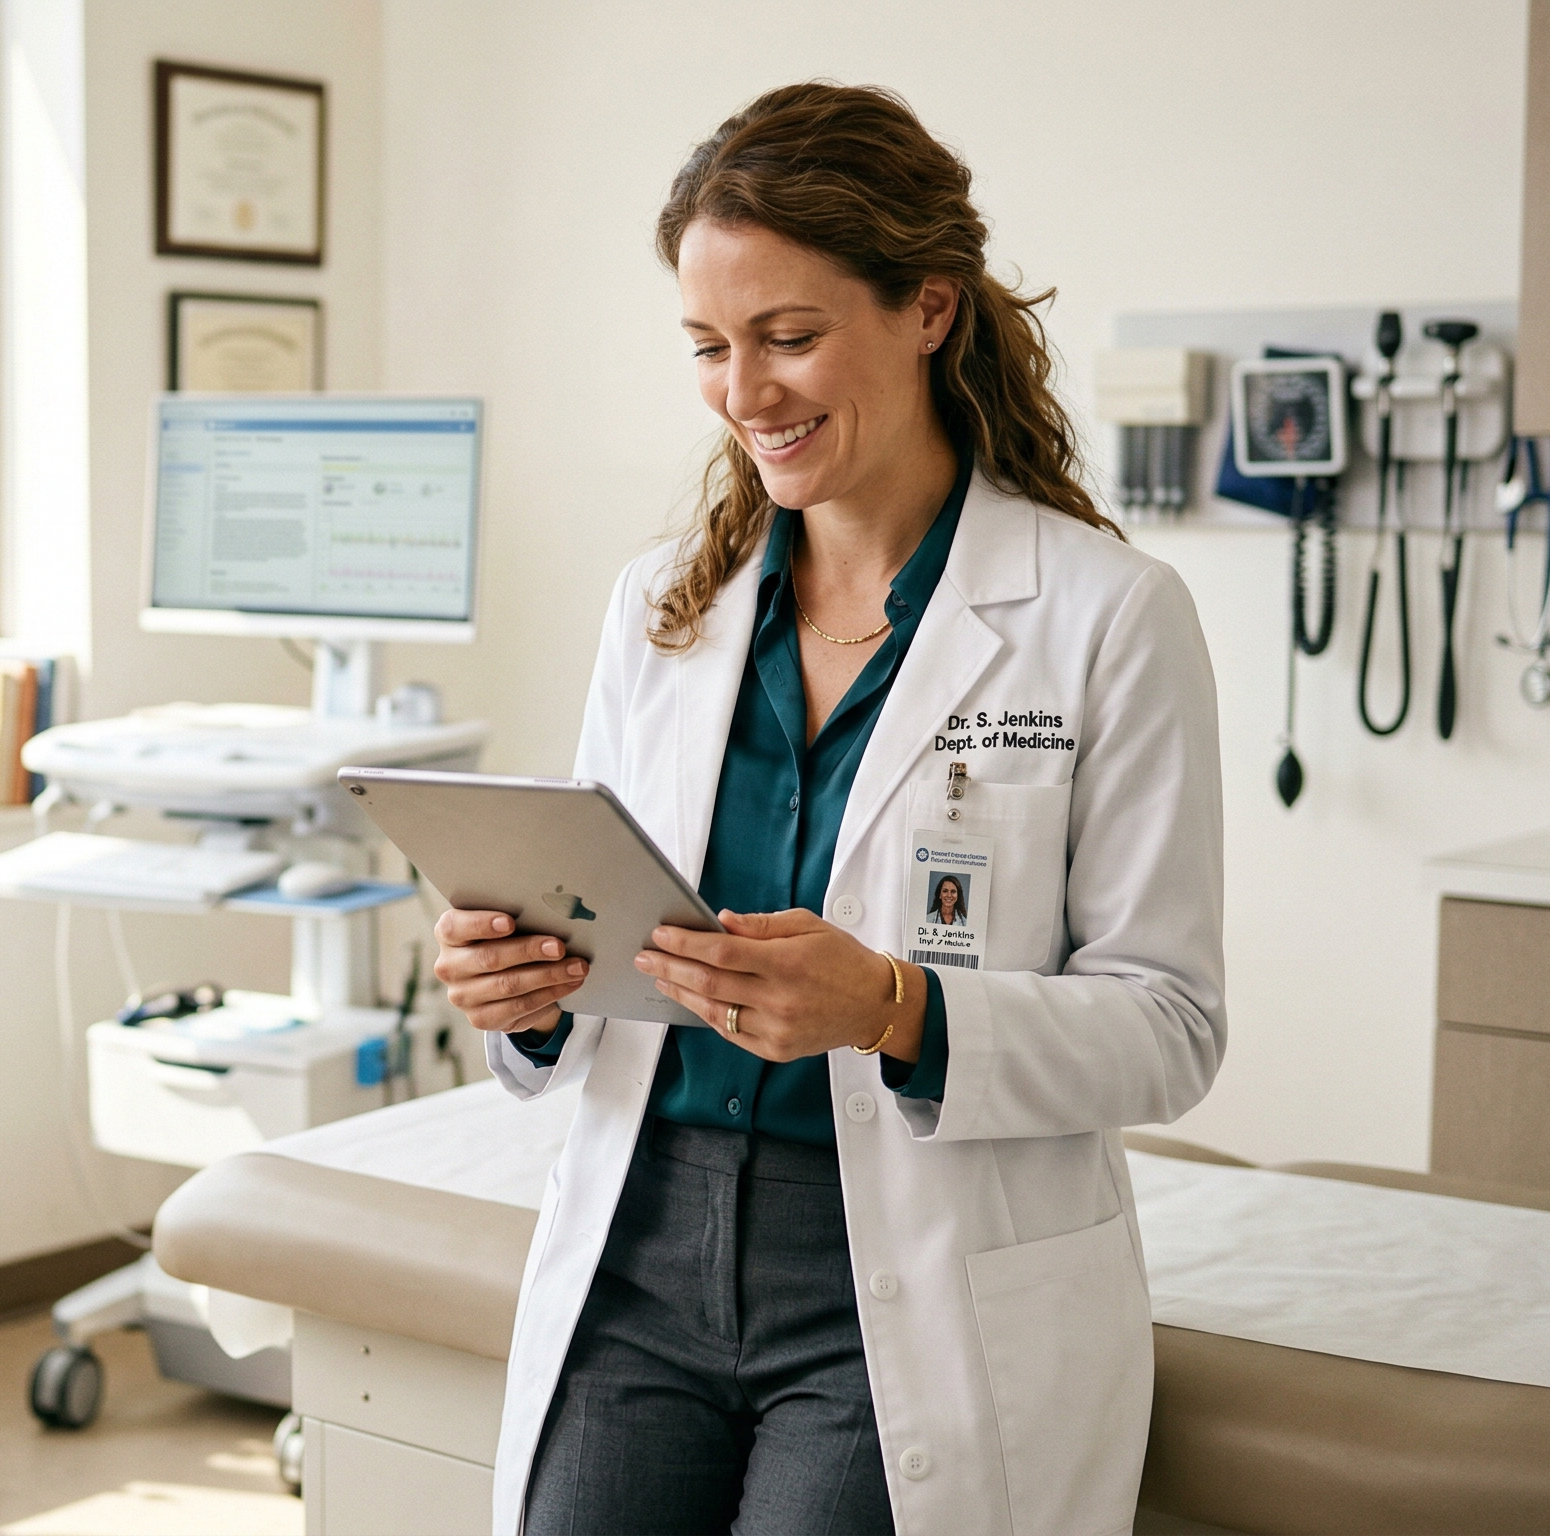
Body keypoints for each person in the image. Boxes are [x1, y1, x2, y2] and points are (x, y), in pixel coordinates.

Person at [434, 81, 1225, 1536]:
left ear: (927, 308)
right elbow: (605, 941)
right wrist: (528, 992)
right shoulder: (663, 609)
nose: (746, 392)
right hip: (640, 1241)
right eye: (709, 348)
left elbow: (1169, 1028)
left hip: (903, 1277)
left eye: (789, 336)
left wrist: (891, 1007)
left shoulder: (1105, 617)